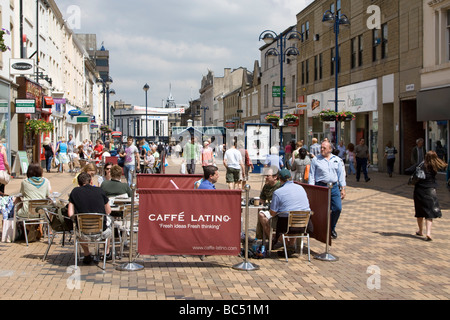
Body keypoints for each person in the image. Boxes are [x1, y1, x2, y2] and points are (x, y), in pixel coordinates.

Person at [68, 172, 112, 264]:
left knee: (78, 228)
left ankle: (87, 254)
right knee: (109, 225)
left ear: (79, 183)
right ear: (91, 182)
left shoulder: (74, 192)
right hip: (100, 231)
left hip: (83, 232)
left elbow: (70, 213)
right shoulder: (100, 191)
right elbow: (108, 211)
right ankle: (107, 252)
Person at [309, 140, 346, 239]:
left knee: (337, 208)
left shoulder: (337, 160)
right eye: (321, 147)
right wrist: (312, 189)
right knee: (321, 210)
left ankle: (331, 228)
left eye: (324, 148)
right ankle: (320, 229)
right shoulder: (316, 160)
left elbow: (341, 175)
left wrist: (343, 188)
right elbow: (311, 176)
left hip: (333, 187)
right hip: (320, 186)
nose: (321, 149)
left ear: (330, 149)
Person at [267, 168, 311, 253]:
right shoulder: (301, 188)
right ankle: (291, 245)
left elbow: (272, 213)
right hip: (304, 224)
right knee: (293, 219)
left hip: (286, 225)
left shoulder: (278, 192)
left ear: (279, 179)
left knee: (268, 222)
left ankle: (287, 245)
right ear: (291, 177)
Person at [413, 151, 447, 241]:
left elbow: (414, 173)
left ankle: (420, 231)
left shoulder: (422, 165)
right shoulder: (434, 166)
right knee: (429, 213)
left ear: (425, 156)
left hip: (419, 190)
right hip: (430, 190)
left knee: (419, 212)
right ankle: (428, 233)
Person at [256, 167, 281, 240]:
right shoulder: (266, 186)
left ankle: (271, 240)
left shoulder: (280, 186)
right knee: (260, 211)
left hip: (278, 211)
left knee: (262, 215)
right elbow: (262, 199)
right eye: (265, 175)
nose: (265, 177)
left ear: (275, 177)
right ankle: (263, 237)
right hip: (270, 209)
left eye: (268, 176)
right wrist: (261, 205)